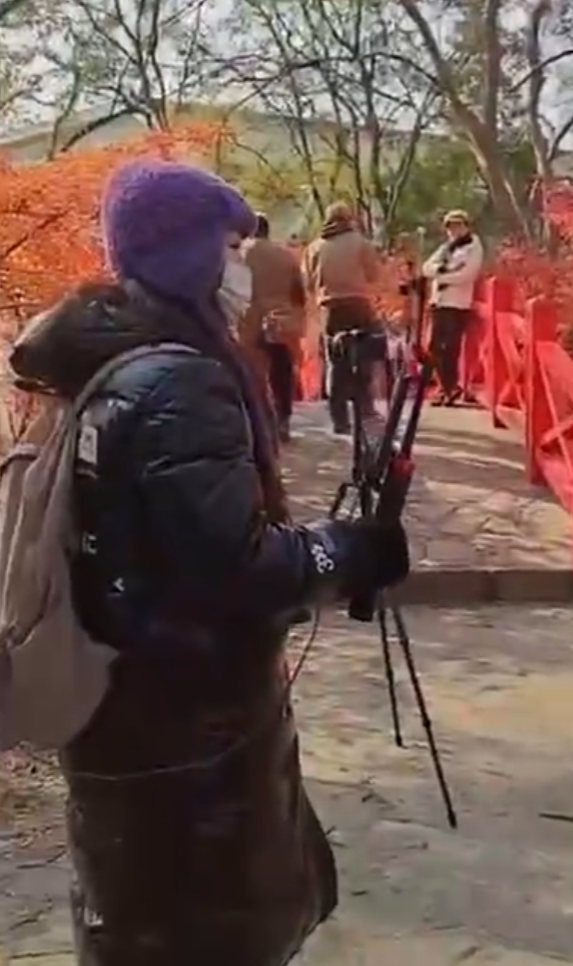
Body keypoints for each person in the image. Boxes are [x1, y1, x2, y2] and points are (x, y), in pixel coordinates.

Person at [8, 160, 410, 966]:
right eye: (229, 246)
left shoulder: (99, 362)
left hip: (120, 706)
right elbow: (237, 570)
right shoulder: (181, 383)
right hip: (191, 732)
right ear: (188, 256)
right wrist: (348, 548)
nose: (241, 266)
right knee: (204, 935)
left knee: (136, 927)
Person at [303, 201, 380, 434]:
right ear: (350, 219)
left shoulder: (314, 247)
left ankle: (339, 420)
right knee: (363, 357)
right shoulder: (362, 244)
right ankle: (365, 410)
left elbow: (307, 282)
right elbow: (374, 275)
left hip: (330, 307)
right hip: (359, 304)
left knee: (336, 362)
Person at [243, 213, 307, 442]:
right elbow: (299, 293)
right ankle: (283, 420)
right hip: (281, 321)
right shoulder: (285, 256)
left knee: (252, 375)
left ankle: (257, 424)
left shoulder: (240, 254)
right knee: (281, 372)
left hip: (248, 321)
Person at [422, 210, 484, 407]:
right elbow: (426, 267)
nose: (453, 230)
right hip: (439, 301)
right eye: (450, 226)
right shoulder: (446, 248)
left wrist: (441, 276)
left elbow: (467, 275)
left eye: (457, 225)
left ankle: (449, 388)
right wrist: (440, 271)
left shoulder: (473, 247)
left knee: (450, 347)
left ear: (466, 226)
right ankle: (447, 387)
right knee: (433, 347)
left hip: (456, 303)